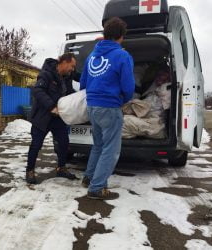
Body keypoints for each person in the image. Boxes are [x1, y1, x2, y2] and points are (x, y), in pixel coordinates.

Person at [79, 17, 135, 199]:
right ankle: (97, 188)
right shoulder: (122, 56)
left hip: (92, 106)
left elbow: (83, 83)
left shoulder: (92, 56)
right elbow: (128, 86)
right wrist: (124, 100)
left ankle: (88, 177)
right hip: (110, 107)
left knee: (98, 145)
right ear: (120, 37)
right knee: (110, 150)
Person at [25, 53, 78, 184]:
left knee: (64, 143)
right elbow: (37, 91)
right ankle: (29, 170)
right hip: (42, 117)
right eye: (71, 66)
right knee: (36, 145)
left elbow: (69, 93)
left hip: (57, 118)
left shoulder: (66, 78)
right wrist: (51, 106)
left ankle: (61, 168)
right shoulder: (46, 74)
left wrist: (80, 98)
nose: (72, 69)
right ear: (64, 62)